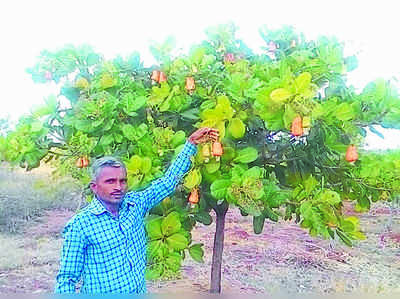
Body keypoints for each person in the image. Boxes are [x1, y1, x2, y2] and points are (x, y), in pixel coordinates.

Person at [54, 127, 219, 294]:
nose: (118, 187)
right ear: (94, 187)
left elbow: (168, 182)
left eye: (122, 181)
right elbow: (67, 278)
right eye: (110, 181)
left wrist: (190, 144)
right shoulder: (81, 225)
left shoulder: (136, 205)